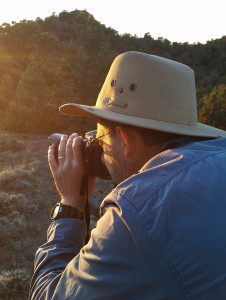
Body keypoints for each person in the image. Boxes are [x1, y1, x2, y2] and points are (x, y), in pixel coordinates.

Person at [29, 51, 226, 299]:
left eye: (100, 139)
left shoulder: (135, 212)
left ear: (124, 139)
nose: (100, 154)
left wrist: (70, 205)